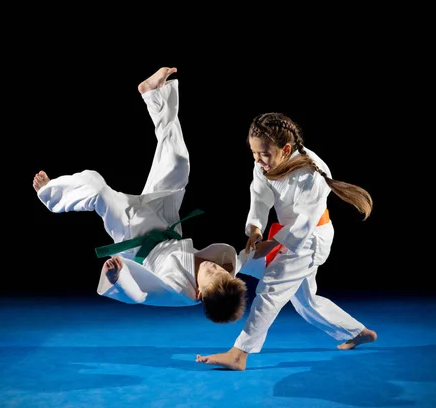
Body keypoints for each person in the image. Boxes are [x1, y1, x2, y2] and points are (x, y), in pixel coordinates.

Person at [32, 67, 247, 324]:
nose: (215, 268)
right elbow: (248, 259)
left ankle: (50, 194)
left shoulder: (178, 291)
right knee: (178, 163)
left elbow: (141, 296)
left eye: (213, 274)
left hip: (136, 239)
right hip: (165, 225)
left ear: (198, 293)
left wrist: (118, 280)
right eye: (223, 273)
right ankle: (154, 94)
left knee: (97, 187)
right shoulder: (227, 270)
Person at [196, 112, 377, 369]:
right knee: (305, 300)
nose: (258, 160)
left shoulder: (312, 171)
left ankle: (239, 354)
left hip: (309, 239)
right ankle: (356, 332)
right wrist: (256, 228)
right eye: (254, 153)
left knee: (270, 289)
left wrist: (274, 243)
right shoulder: (264, 163)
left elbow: (306, 220)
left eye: (264, 154)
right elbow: (259, 196)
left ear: (286, 149)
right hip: (285, 236)